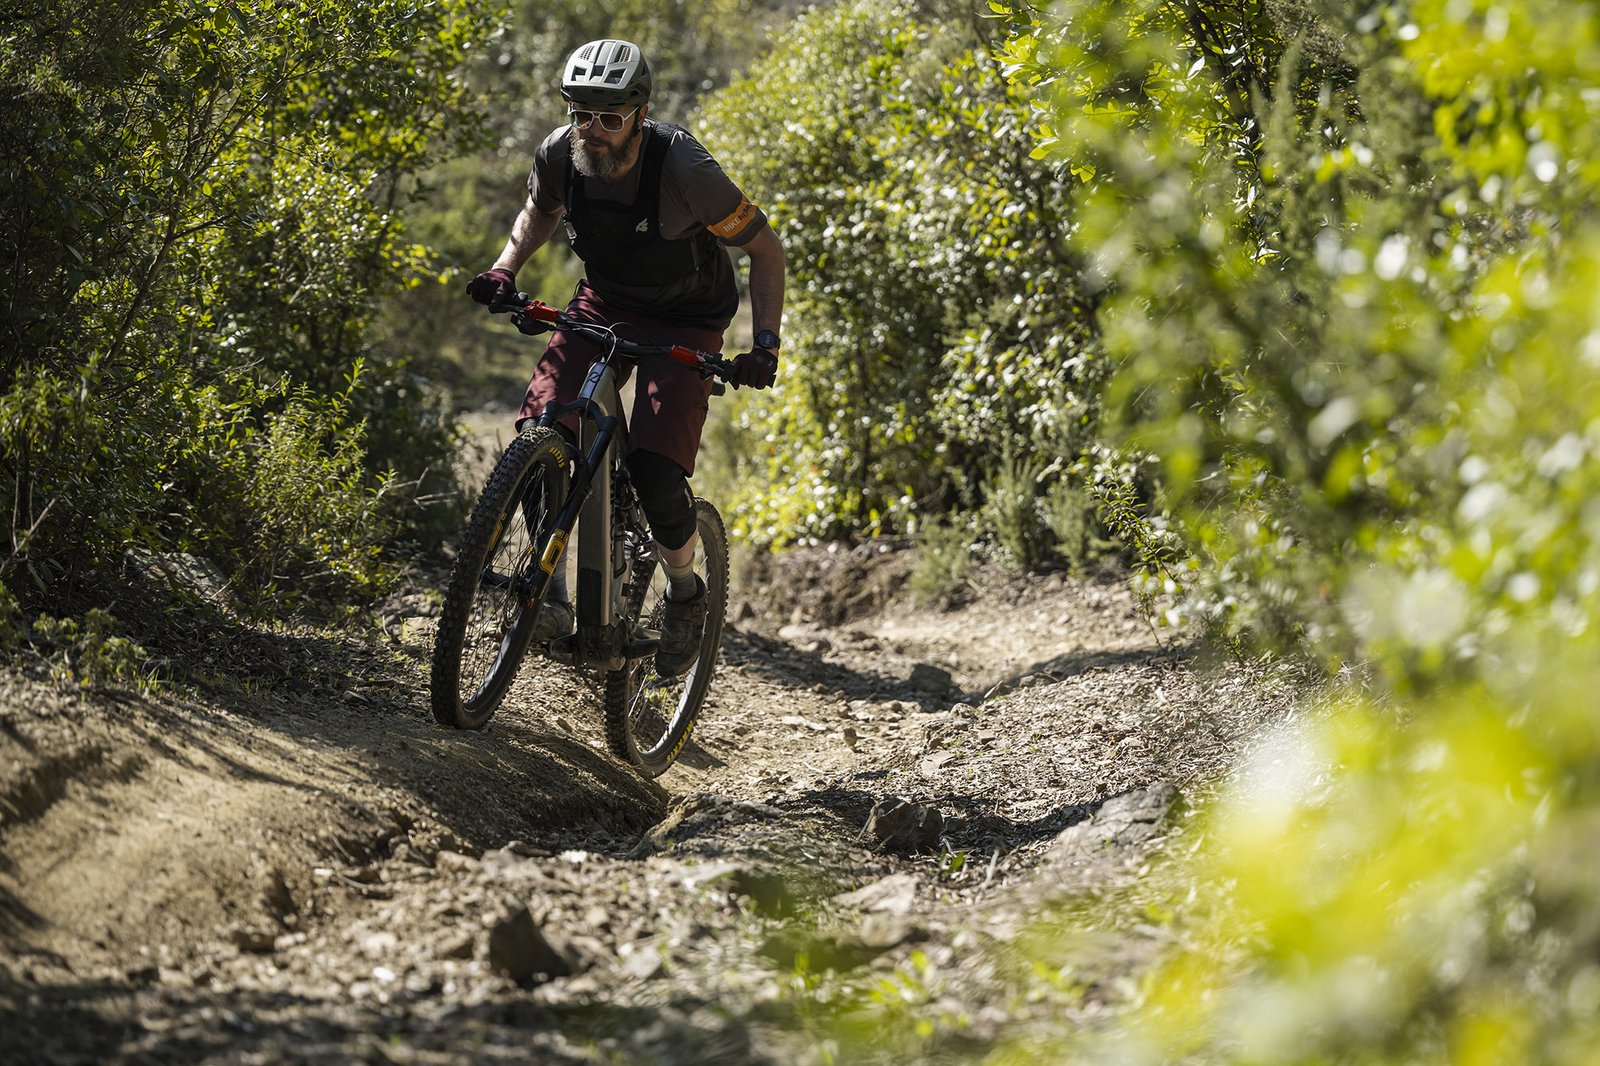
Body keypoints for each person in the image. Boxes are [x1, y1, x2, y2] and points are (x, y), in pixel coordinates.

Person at [466, 38, 786, 679]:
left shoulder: (685, 171)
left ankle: (686, 594)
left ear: (640, 114)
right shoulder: (563, 154)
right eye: (581, 113)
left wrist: (765, 346)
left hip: (688, 319)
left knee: (655, 468)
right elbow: (538, 211)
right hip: (604, 302)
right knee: (544, 430)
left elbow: (766, 250)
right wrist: (505, 269)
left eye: (609, 117)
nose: (594, 130)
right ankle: (548, 598)